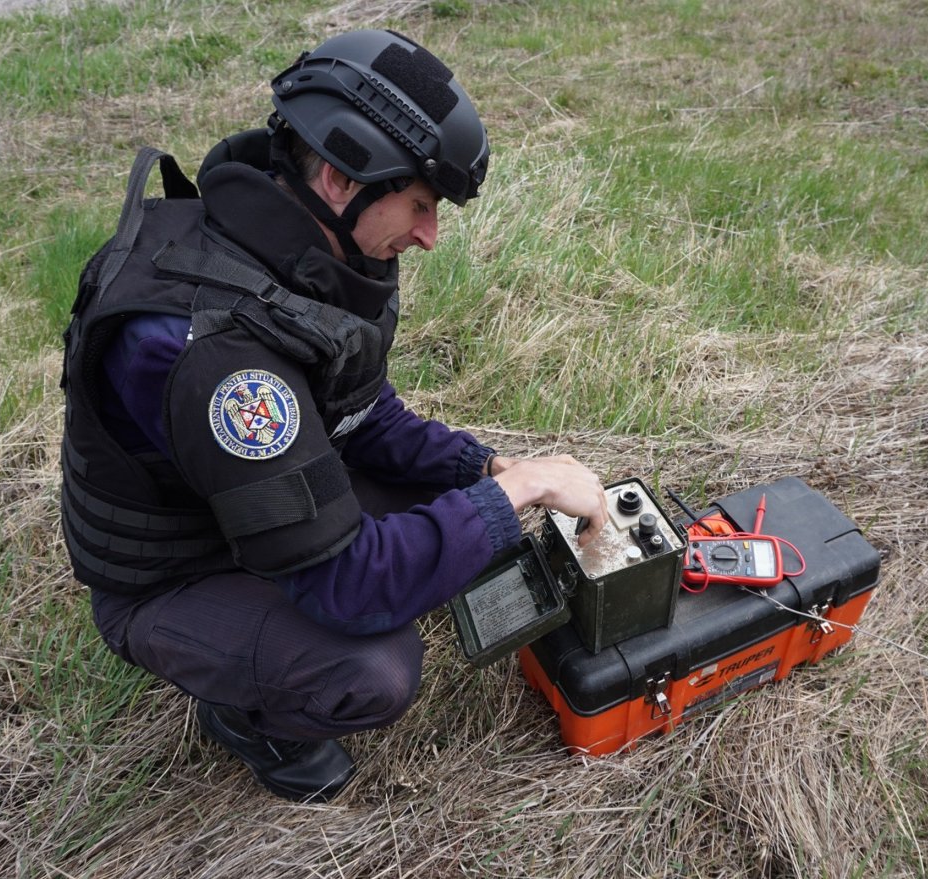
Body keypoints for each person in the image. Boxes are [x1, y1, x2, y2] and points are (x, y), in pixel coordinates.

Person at [58, 29, 609, 802]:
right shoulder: (221, 363)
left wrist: (484, 468)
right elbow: (347, 584)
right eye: (419, 204)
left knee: (454, 505)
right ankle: (249, 714)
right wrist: (515, 494)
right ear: (342, 178)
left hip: (240, 500)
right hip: (175, 570)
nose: (429, 236)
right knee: (372, 667)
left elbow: (363, 416)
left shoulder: (297, 254)